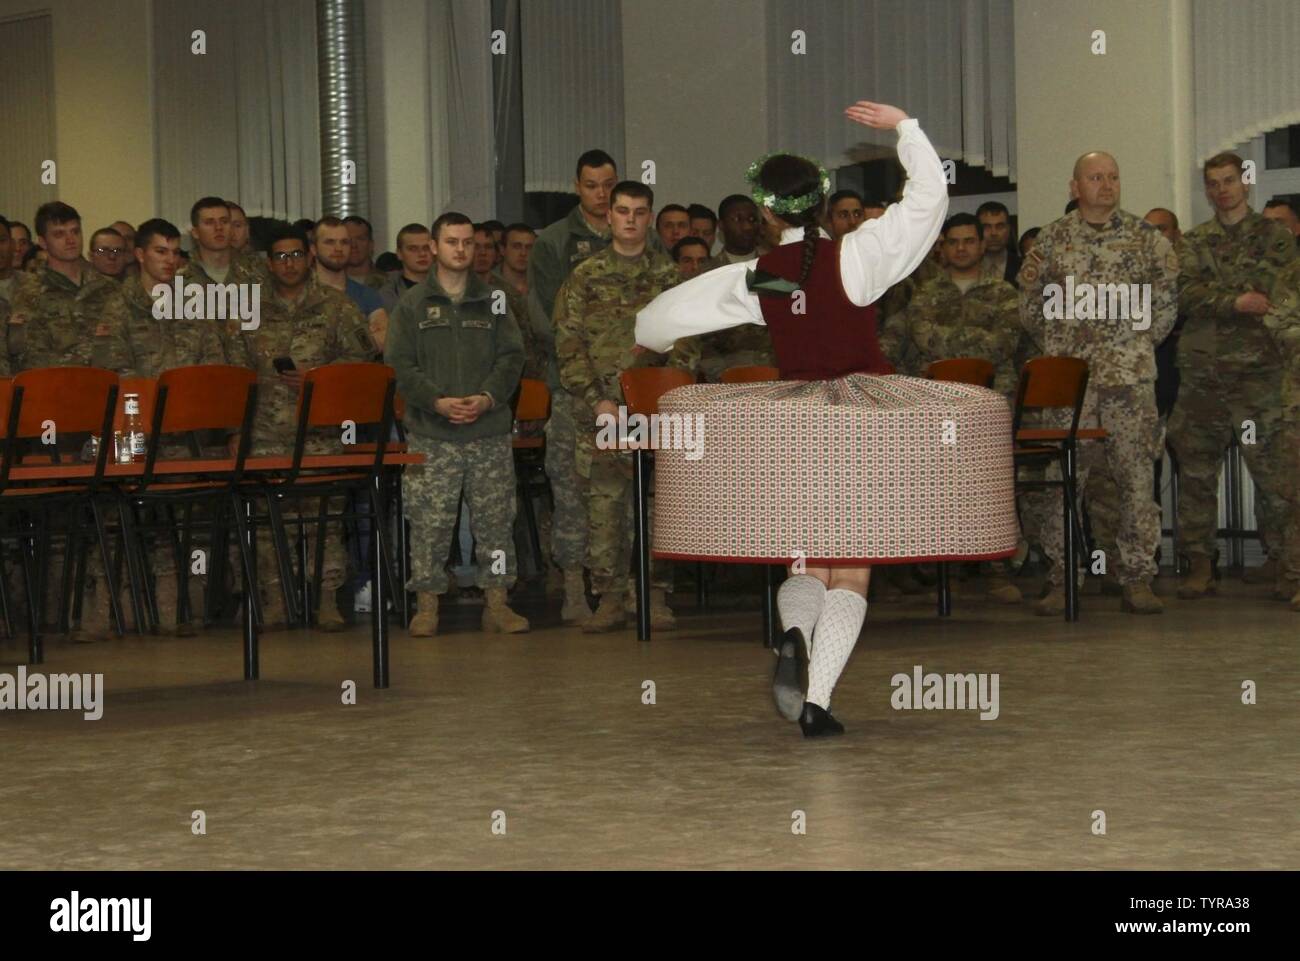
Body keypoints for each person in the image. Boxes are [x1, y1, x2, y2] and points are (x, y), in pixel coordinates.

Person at [636, 100, 950, 737]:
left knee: (805, 561)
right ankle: (819, 702)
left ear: (767, 213)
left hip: (796, 426)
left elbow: (658, 319)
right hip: (862, 421)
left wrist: (656, 341)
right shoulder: (860, 256)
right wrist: (904, 129)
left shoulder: (758, 276)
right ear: (824, 204)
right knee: (853, 565)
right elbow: (929, 198)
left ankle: (794, 635)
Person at [1018, 151, 1177, 615]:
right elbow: (1028, 304)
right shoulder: (1050, 240)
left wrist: (1137, 341)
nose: (1106, 185)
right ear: (1074, 187)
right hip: (1072, 383)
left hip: (1129, 381)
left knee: (1135, 480)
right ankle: (1063, 578)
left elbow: (1166, 303)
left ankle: (1137, 579)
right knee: (1065, 480)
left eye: (1112, 177)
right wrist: (1059, 342)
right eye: (1095, 177)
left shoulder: (1147, 240)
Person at [555, 181, 697, 632]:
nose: (630, 219)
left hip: (656, 411)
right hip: (604, 411)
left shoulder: (669, 277)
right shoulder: (585, 275)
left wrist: (665, 402)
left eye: (639, 211)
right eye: (622, 210)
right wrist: (597, 399)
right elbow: (568, 344)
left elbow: (688, 344)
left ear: (649, 218)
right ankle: (610, 597)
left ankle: (653, 594)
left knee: (660, 506)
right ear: (609, 216)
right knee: (604, 506)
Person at [386, 212, 530, 636]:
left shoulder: (496, 299)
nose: (462, 250)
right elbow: (399, 364)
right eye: (452, 241)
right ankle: (427, 605)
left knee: (496, 520)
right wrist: (437, 401)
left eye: (469, 242)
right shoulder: (412, 305)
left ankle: (498, 602)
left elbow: (512, 357)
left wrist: (486, 398)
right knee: (429, 521)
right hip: (433, 432)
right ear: (433, 247)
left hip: (487, 429)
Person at [226, 224, 375, 631]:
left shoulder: (336, 307)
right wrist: (234, 432)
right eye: (280, 257)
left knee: (323, 521)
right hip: (265, 434)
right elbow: (235, 376)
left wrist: (319, 376)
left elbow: (362, 366)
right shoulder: (249, 310)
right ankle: (275, 600)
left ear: (309, 257)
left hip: (321, 434)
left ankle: (326, 600)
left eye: (296, 255)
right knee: (271, 523)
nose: (289, 264)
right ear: (269, 262)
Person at [1171, 153, 1299, 604]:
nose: (1222, 190)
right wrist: (1234, 300)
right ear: (1207, 190)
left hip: (1259, 376)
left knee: (1275, 475)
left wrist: (1221, 295)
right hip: (1203, 376)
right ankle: (1199, 564)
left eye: (1229, 181)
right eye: (1213, 183)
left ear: (1245, 183)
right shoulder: (1192, 240)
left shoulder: (1275, 237)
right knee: (1197, 472)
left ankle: (1287, 565)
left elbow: (1276, 291)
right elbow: (1183, 293)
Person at [378, 223, 433, 314]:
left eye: (427, 248)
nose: (422, 254)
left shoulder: (447, 285)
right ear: (399, 254)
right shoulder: (388, 292)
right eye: (413, 249)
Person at [976, 201, 1020, 285]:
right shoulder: (967, 266)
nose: (993, 233)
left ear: (1008, 229)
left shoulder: (1023, 267)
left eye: (1000, 226)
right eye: (986, 227)